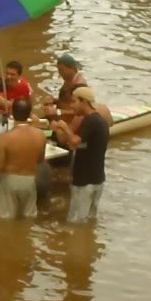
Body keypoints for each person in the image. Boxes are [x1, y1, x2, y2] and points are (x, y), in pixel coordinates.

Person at [50, 87, 109, 223]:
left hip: (84, 182)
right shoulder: (100, 121)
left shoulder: (89, 121)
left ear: (84, 102)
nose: (72, 106)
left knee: (76, 224)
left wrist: (64, 127)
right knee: (90, 221)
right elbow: (81, 145)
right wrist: (58, 130)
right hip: (98, 180)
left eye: (74, 102)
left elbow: (75, 142)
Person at [0, 99, 47, 219]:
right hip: (30, 181)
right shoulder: (40, 135)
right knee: (29, 218)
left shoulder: (5, 137)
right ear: (30, 114)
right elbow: (40, 160)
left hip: (10, 181)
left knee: (5, 220)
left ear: (12, 114)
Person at [43, 54, 87, 124]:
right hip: (61, 119)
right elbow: (66, 100)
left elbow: (83, 111)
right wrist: (53, 100)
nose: (60, 73)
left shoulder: (79, 85)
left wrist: (58, 112)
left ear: (72, 68)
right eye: (59, 70)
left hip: (71, 124)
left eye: (61, 70)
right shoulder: (68, 79)